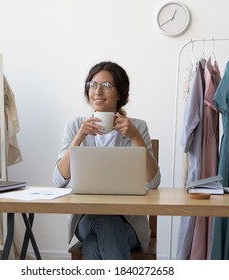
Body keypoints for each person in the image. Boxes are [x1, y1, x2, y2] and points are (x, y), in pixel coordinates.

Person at [52, 61, 161, 259]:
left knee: (96, 241)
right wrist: (79, 138)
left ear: (120, 93)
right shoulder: (75, 125)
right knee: (104, 223)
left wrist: (136, 137)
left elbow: (153, 183)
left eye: (106, 86)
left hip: (128, 223)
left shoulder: (137, 127)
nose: (97, 91)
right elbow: (59, 180)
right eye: (92, 85)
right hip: (86, 218)